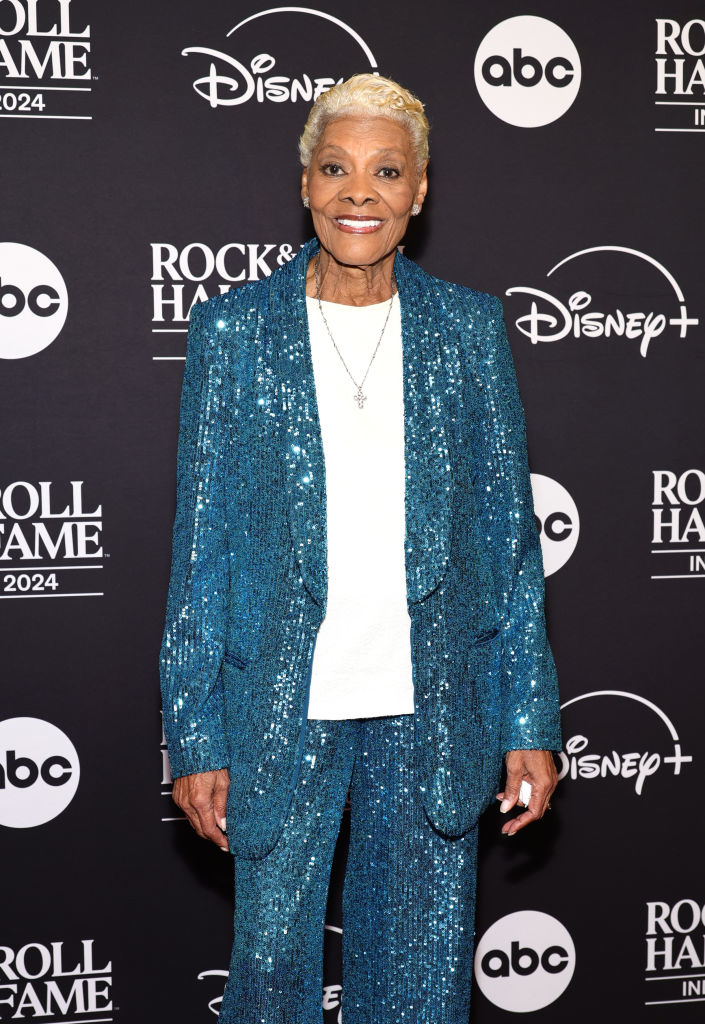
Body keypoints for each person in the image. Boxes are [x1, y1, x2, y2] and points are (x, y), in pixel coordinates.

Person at [159, 72, 562, 1024]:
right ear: (304, 184)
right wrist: (195, 728)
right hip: (276, 706)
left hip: (433, 711)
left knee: (419, 990)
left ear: (418, 192)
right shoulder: (235, 330)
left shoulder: (467, 330)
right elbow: (202, 542)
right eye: (335, 168)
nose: (358, 192)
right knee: (267, 978)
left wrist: (527, 720)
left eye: (386, 172)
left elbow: (507, 541)